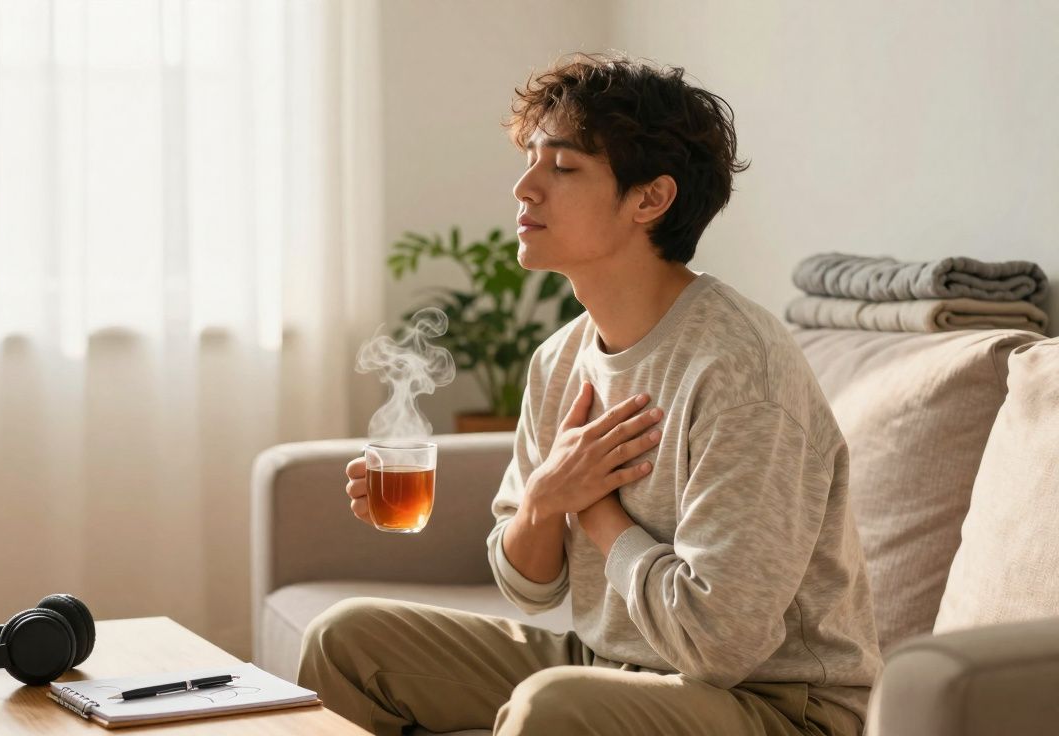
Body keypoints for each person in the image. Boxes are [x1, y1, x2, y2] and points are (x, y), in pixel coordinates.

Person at [299, 51, 881, 736]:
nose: (524, 188)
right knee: (348, 642)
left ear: (649, 199)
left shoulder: (738, 370)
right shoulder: (561, 359)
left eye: (563, 166)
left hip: (777, 704)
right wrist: (547, 499)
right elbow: (530, 587)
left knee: (554, 707)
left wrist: (599, 511)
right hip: (616, 664)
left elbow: (720, 645)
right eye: (530, 160)